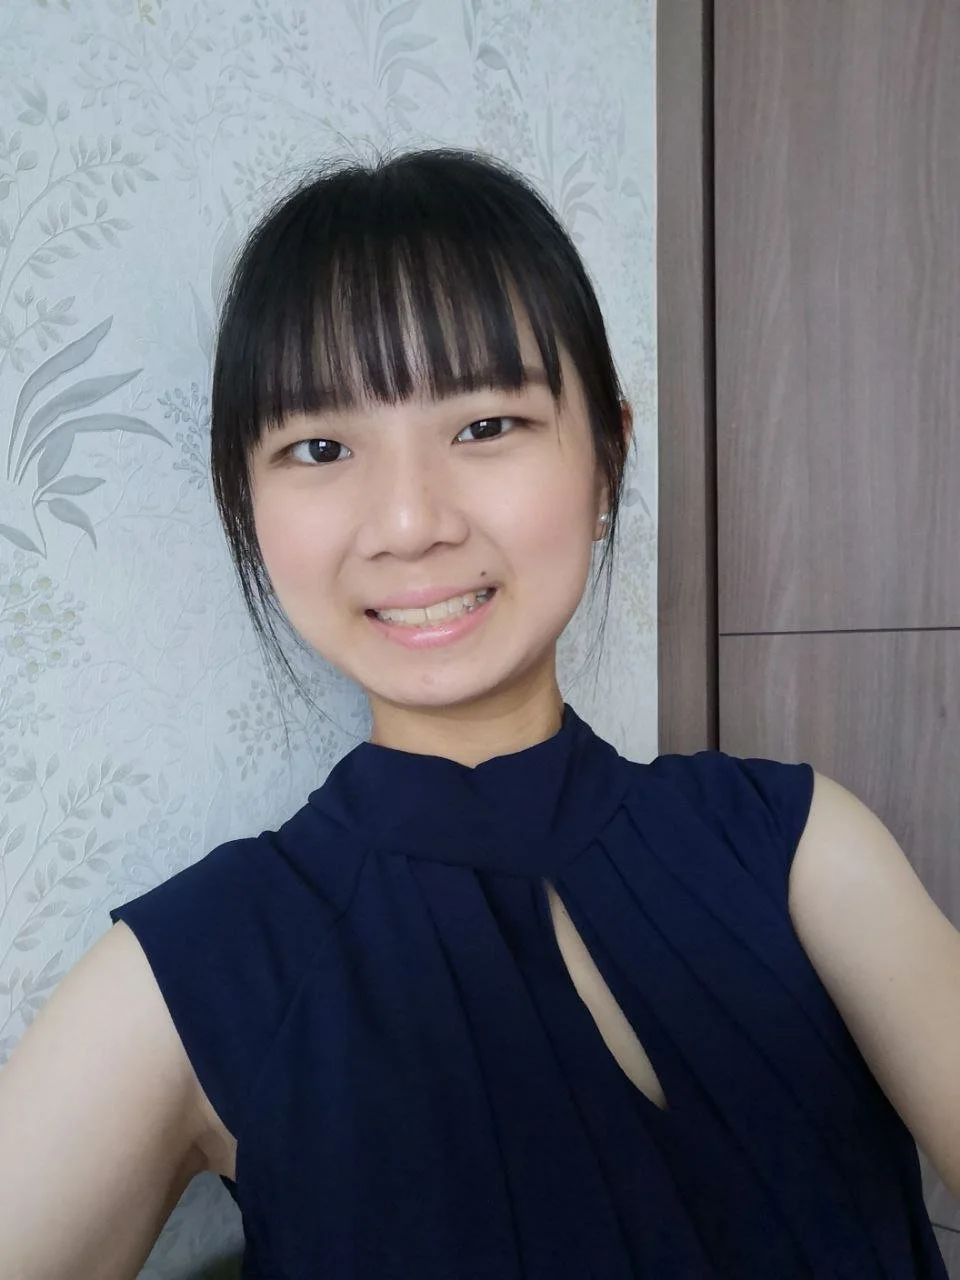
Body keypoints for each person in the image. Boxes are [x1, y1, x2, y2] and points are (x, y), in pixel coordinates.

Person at [0, 148, 958, 1280]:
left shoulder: (801, 845)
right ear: (247, 506)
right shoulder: (196, 968)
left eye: (487, 425)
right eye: (319, 448)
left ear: (607, 460)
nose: (411, 522)